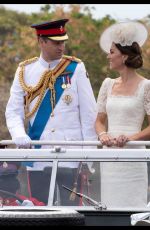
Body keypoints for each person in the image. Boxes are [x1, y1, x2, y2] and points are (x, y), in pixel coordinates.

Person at [5, 18, 97, 205]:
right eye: (56, 42)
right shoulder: (24, 70)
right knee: (38, 210)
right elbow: (13, 111)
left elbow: (89, 115)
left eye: (63, 41)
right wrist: (18, 134)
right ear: (41, 41)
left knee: (73, 213)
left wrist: (89, 156)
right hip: (38, 156)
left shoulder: (75, 68)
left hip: (71, 156)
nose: (61, 47)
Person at [95, 21, 150, 209]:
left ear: (124, 56)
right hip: (109, 158)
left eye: (111, 52)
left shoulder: (146, 86)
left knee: (134, 209)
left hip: (134, 157)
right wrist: (103, 135)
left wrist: (130, 138)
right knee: (109, 207)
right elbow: (99, 121)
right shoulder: (107, 84)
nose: (108, 56)